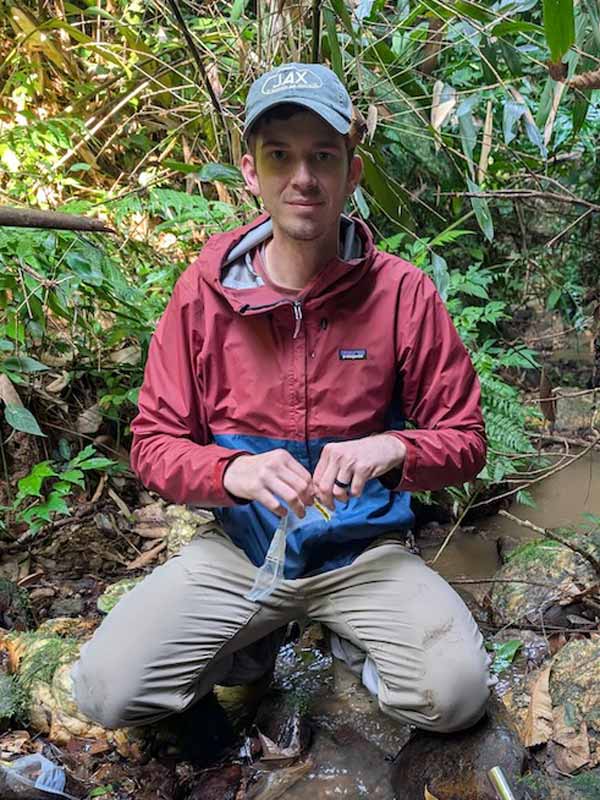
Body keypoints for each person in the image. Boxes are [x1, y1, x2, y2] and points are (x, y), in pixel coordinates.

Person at [72, 62, 493, 736]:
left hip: (363, 554)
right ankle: (251, 650)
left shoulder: (403, 293)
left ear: (351, 174)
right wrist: (230, 472)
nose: (304, 176)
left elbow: (467, 440)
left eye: (323, 156)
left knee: (456, 695)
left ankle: (353, 638)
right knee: (106, 694)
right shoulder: (203, 294)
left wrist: (393, 447)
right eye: (281, 156)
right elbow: (152, 445)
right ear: (250, 172)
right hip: (241, 552)